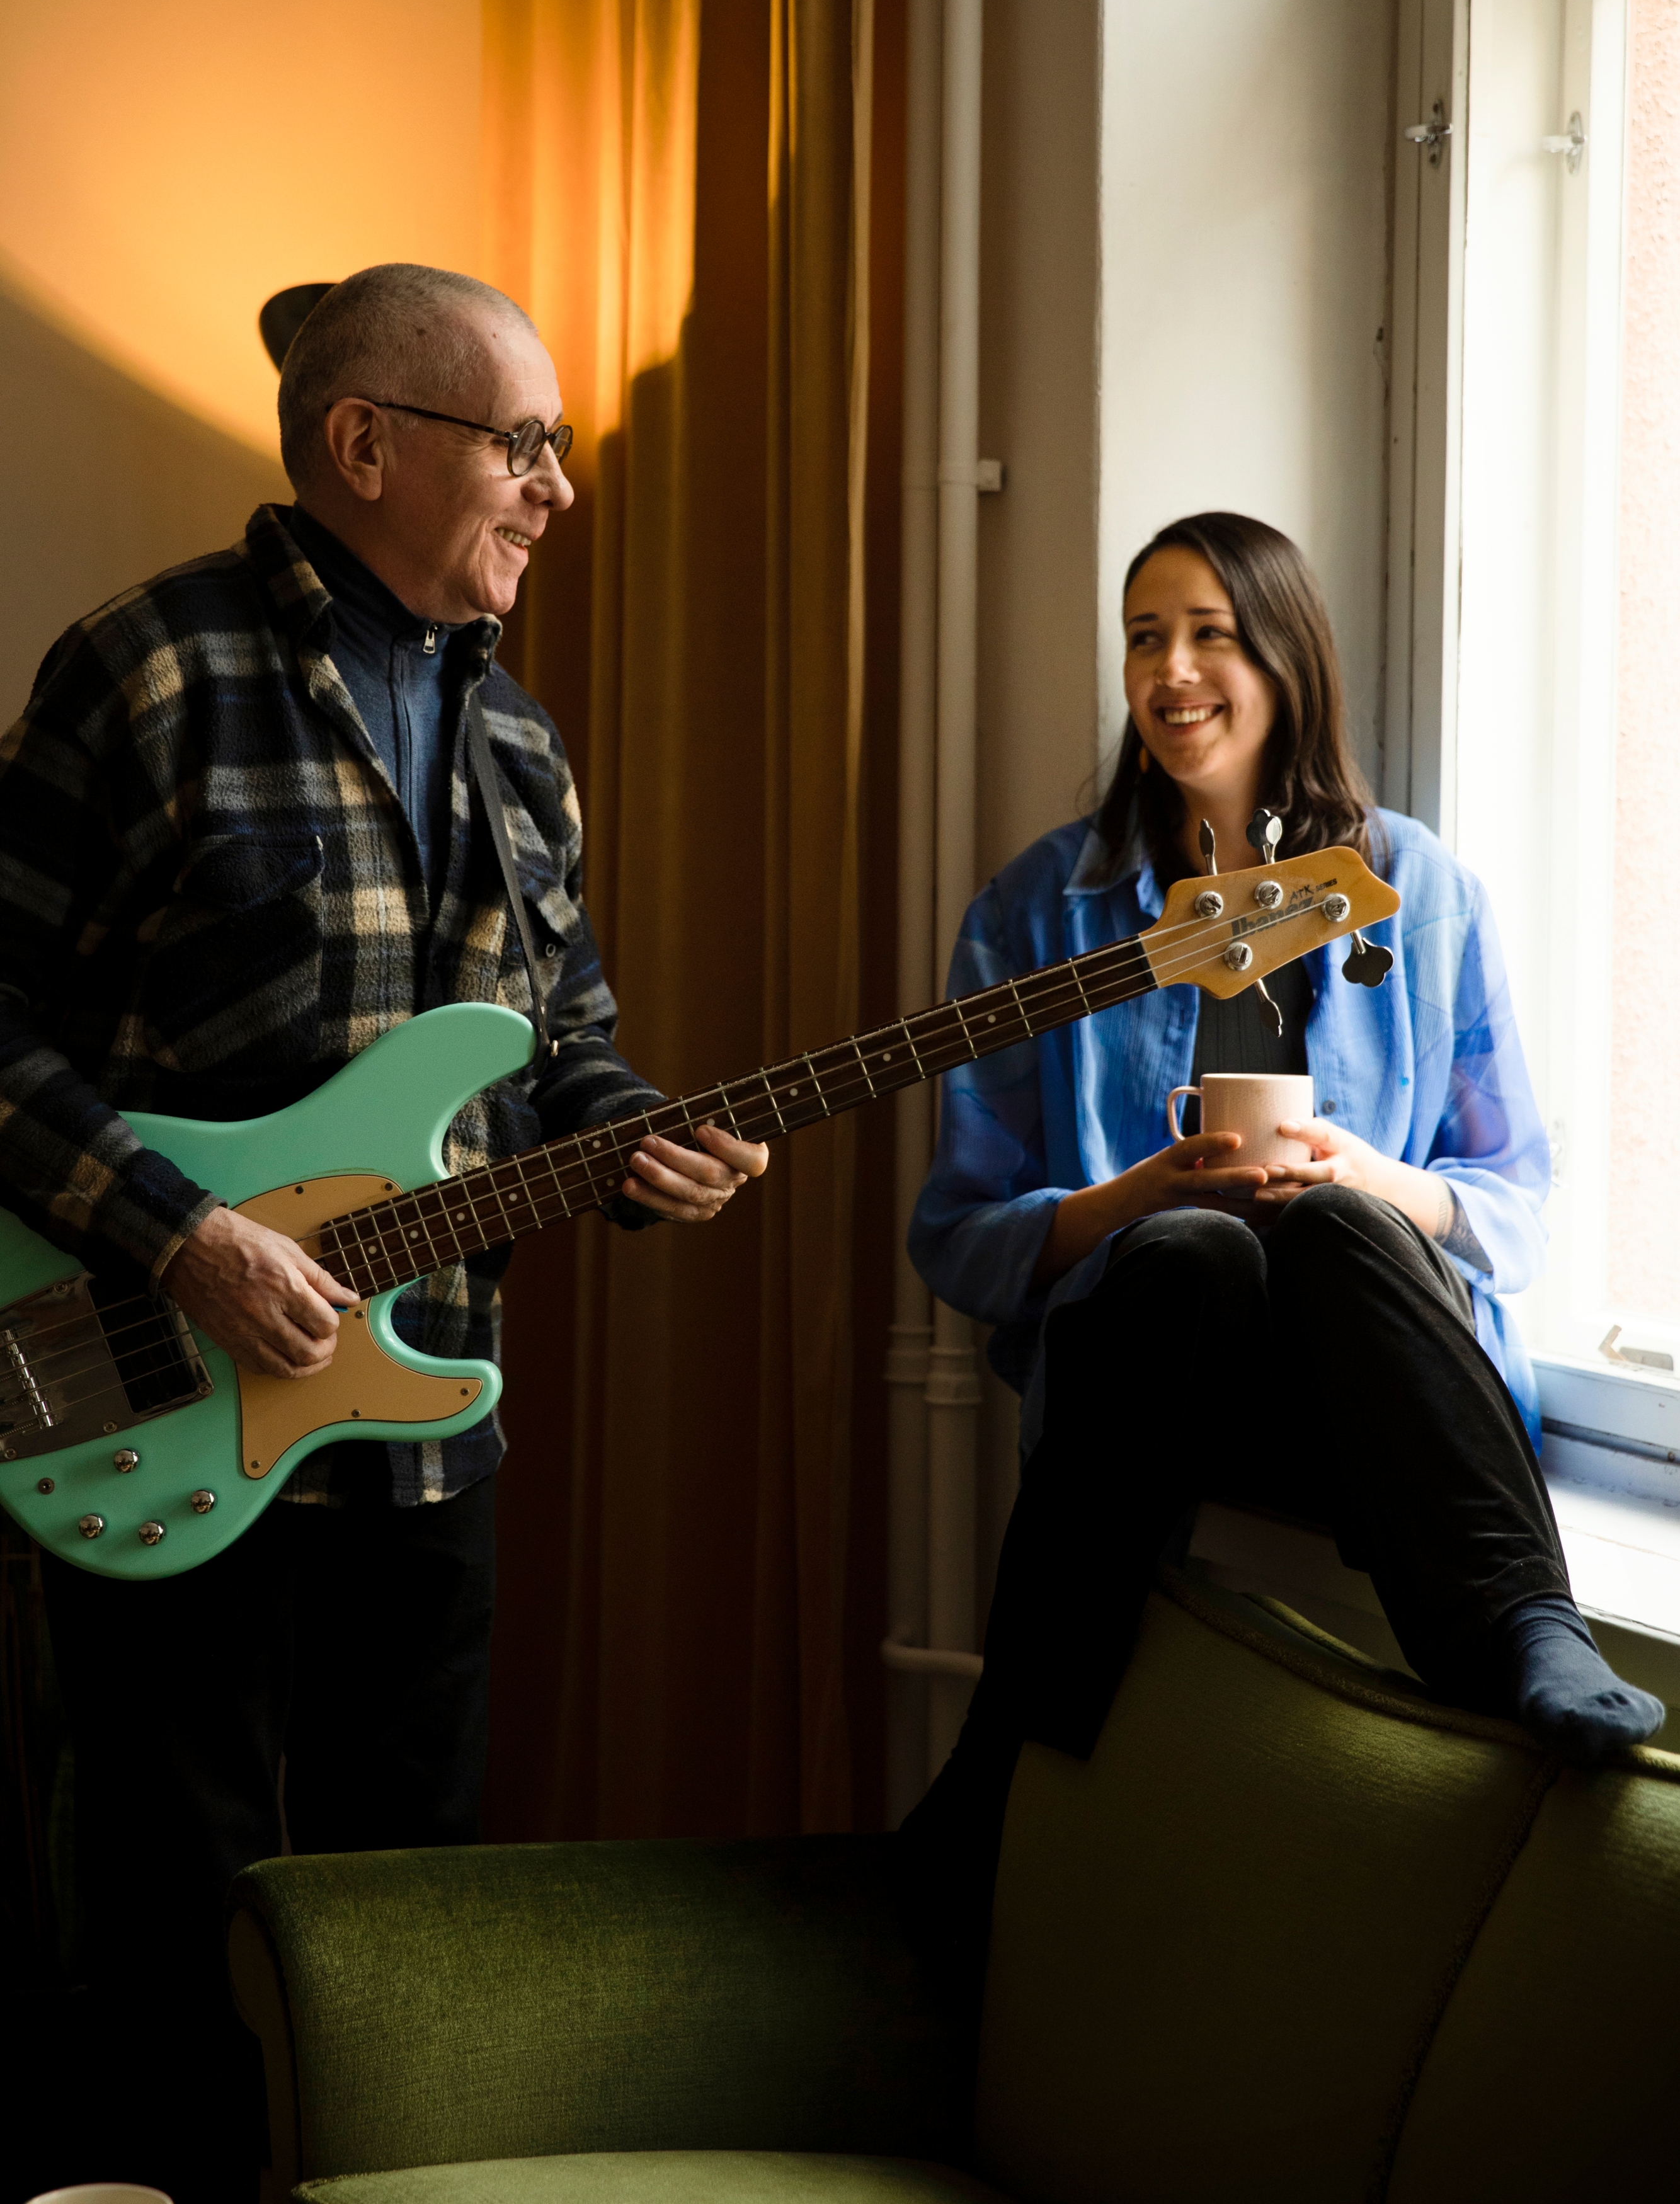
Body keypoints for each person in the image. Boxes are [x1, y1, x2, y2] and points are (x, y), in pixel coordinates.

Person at [0, 264, 769, 2202]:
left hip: (426, 1433)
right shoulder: (146, 671)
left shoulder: (522, 749)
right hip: (156, 1408)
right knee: (161, 1918)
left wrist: (637, 1136)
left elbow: (558, 1047)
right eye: (524, 445)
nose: (556, 492)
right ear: (367, 444)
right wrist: (180, 1237)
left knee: (404, 1913)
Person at [903, 511, 1662, 1947]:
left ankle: (1522, 1626)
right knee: (1191, 1250)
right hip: (1156, 1378)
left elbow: (1511, 1197)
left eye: (1208, 632)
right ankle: (1007, 1757)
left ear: (1284, 657)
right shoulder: (1034, 911)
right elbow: (956, 1230)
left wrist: (1372, 1174)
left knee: (1331, 1229)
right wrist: (1138, 1194)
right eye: (1143, 635)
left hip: (1367, 1400)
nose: (1170, 669)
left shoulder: (1417, 891)